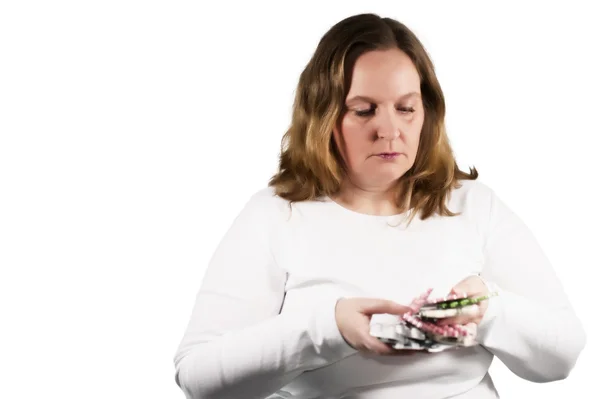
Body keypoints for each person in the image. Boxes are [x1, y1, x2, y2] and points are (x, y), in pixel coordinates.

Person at [172, 13, 586, 399]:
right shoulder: (275, 215)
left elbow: (562, 355)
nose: (389, 131)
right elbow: (199, 377)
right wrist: (329, 330)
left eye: (406, 109)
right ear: (323, 116)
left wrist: (488, 311)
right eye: (363, 110)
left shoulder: (472, 205)